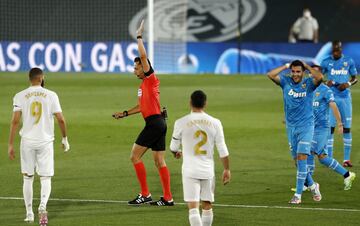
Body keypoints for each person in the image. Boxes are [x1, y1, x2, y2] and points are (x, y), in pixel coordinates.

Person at [112, 20, 173, 206]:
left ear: (144, 68)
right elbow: (141, 107)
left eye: (136, 67)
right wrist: (125, 113)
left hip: (155, 123)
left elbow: (143, 56)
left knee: (134, 156)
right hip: (157, 122)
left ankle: (145, 194)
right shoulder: (143, 86)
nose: (134, 70)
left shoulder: (150, 78)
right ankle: (168, 198)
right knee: (159, 161)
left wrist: (139, 36)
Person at [8, 67, 70, 225]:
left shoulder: (20, 96)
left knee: (27, 178)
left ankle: (29, 214)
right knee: (45, 177)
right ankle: (42, 206)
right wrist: (64, 138)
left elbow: (15, 121)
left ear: (29, 79)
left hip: (27, 141)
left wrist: (10, 144)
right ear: (42, 78)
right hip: (45, 141)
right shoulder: (51, 95)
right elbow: (61, 119)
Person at [170, 90, 230, 226]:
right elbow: (223, 149)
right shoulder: (215, 122)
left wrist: (177, 152)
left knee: (193, 207)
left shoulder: (181, 122)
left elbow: (173, 147)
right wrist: (227, 169)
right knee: (207, 205)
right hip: (207, 170)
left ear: (190, 102)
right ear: (205, 104)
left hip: (189, 170)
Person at [267, 60, 323, 204]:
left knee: (302, 158)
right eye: (293, 71)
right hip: (291, 128)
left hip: (306, 126)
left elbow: (320, 78)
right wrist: (286, 65)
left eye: (298, 71)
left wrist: (308, 67)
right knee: (297, 163)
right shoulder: (285, 81)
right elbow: (270, 75)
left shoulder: (309, 83)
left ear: (303, 72)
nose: (296, 74)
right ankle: (312, 185)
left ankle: (298, 195)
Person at [321, 40, 358, 167]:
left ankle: (346, 159)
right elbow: (318, 78)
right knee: (330, 128)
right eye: (334, 50)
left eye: (338, 50)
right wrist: (326, 83)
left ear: (341, 50)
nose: (336, 53)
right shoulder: (326, 61)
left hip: (345, 99)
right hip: (331, 99)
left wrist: (347, 84)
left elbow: (355, 78)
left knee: (347, 128)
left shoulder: (349, 61)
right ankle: (329, 158)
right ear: (332, 50)